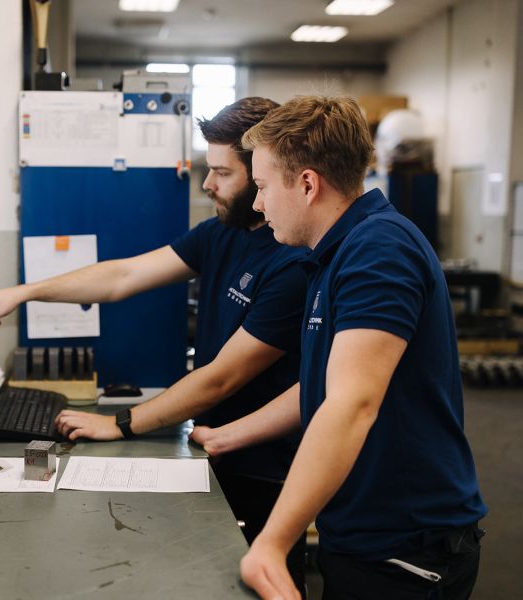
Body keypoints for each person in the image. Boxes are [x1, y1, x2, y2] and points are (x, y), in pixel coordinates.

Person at [0, 97, 309, 593]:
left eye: (222, 173)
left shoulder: (291, 262)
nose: (207, 184)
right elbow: (122, 276)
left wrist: (119, 424)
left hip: (264, 471)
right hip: (214, 451)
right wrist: (24, 293)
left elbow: (222, 377)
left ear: (261, 170)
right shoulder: (221, 234)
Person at [191, 95, 487, 600]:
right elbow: (322, 386)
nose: (257, 205)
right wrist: (228, 436)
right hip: (360, 533)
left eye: (262, 187)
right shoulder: (335, 253)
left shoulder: (379, 252)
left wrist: (272, 541)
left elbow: (351, 403)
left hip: (403, 549)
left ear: (307, 184)